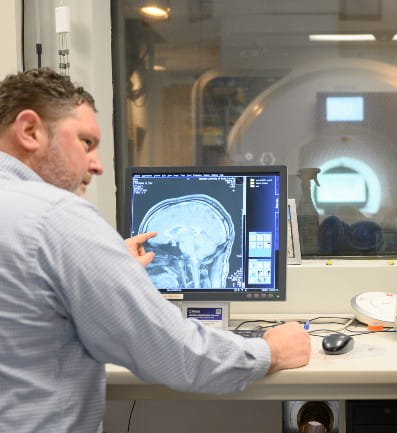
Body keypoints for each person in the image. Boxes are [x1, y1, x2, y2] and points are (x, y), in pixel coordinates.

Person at [0, 68, 311, 433]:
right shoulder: (55, 217)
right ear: (30, 131)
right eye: (86, 142)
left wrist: (109, 270)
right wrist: (270, 351)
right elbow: (176, 354)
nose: (97, 165)